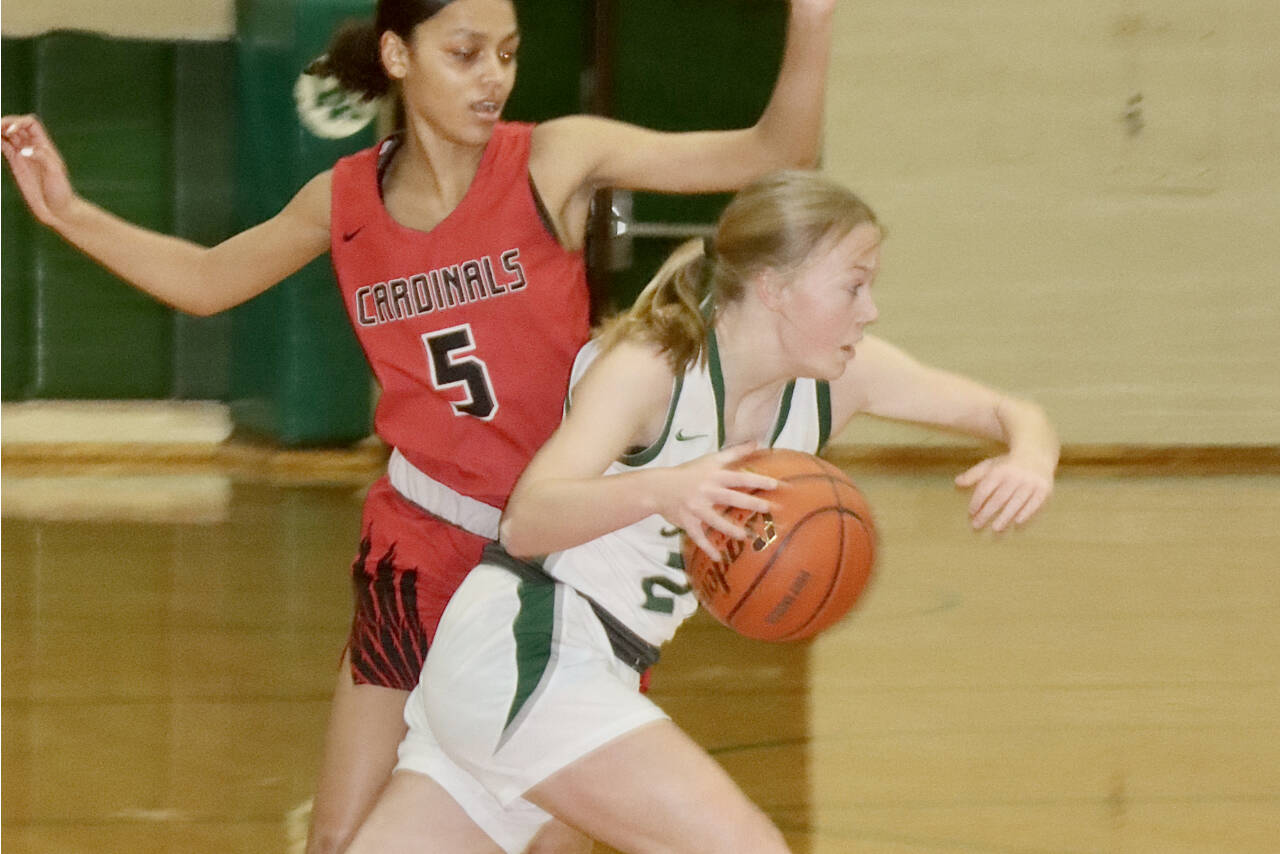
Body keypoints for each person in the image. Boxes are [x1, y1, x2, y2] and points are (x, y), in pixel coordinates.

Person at [0, 1, 840, 852]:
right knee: (342, 839)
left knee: (549, 844)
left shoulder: (554, 158)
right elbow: (208, 279)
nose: (494, 77)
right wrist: (70, 212)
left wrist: (811, 20)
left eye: (507, 55)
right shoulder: (344, 199)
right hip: (420, 547)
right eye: (466, 54)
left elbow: (773, 152)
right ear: (399, 55)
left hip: (558, 568)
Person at [345, 169, 1060, 854]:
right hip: (533, 646)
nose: (869, 310)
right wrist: (666, 489)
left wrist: (1030, 453)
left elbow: (1010, 410)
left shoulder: (841, 380)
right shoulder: (652, 367)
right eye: (853, 286)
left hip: (562, 666)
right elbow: (526, 522)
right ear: (774, 287)